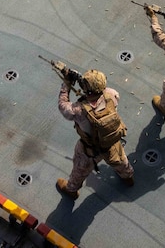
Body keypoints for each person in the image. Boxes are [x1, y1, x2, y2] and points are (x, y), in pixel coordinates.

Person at [56, 69, 134, 199]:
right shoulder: (112, 95)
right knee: (121, 161)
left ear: (87, 89)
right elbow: (100, 95)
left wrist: (66, 85)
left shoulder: (78, 110)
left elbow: (62, 105)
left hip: (90, 149)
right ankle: (128, 177)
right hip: (111, 141)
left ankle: (71, 190)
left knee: (79, 170)